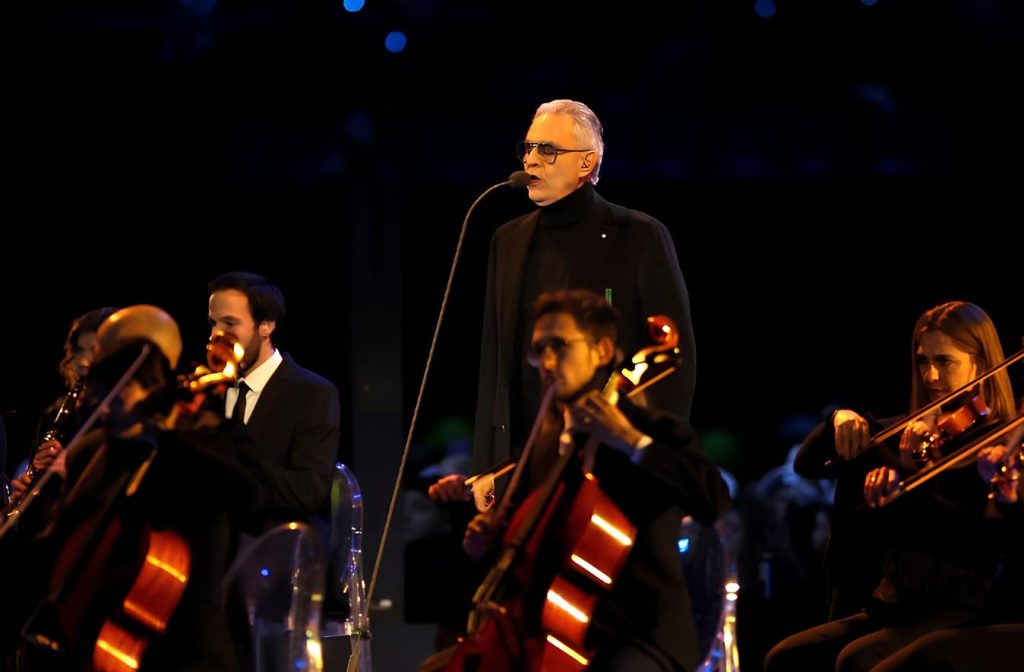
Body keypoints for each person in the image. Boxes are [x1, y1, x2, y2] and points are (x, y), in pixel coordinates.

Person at [449, 289, 730, 672]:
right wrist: (489, 539)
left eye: (559, 346)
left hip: (640, 636)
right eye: (538, 350)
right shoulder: (545, 442)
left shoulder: (651, 428)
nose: (546, 362)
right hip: (557, 631)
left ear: (601, 350)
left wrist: (631, 442)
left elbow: (713, 499)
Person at [765, 300, 1017, 672]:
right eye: (922, 361)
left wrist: (914, 477)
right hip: (900, 605)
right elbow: (809, 465)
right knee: (786, 658)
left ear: (980, 363)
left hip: (964, 605)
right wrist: (838, 422)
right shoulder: (910, 432)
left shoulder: (1001, 441)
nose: (930, 376)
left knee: (856, 660)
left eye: (943, 361)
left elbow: (976, 529)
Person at [6, 305, 260, 671]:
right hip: (96, 643)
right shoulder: (96, 447)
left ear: (147, 392)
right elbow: (56, 544)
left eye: (115, 396)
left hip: (186, 647)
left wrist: (165, 433)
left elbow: (250, 496)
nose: (104, 409)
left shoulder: (204, 435)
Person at [471, 98, 697, 479]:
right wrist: (484, 467)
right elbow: (494, 365)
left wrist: (647, 457)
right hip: (521, 465)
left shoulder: (639, 235)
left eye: (547, 150)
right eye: (528, 148)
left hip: (612, 462)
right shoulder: (507, 240)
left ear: (586, 162)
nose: (530, 161)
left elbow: (675, 359)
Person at [206, 271, 341, 533]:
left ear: (266, 326)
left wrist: (232, 460)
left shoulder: (313, 393)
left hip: (275, 556)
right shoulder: (211, 392)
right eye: (213, 323)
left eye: (229, 324)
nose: (216, 335)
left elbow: (307, 492)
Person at [8, 306, 118, 503]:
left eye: (93, 350)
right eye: (79, 350)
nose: (83, 362)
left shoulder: (124, 419)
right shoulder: (55, 413)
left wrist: (70, 471)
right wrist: (26, 488)